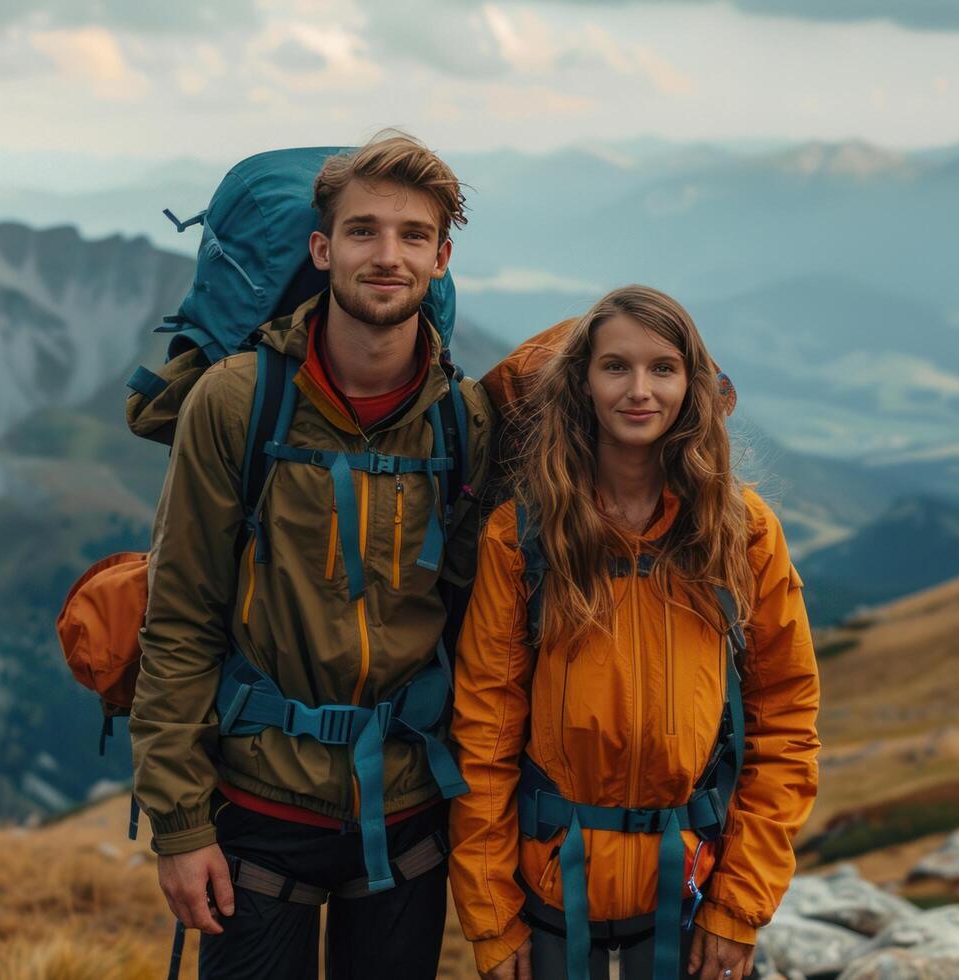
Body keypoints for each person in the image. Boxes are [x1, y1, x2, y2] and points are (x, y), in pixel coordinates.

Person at [130, 133, 491, 980]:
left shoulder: (463, 421)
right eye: (363, 232)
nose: (387, 255)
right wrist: (180, 828)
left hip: (408, 816)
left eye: (412, 236)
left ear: (441, 258)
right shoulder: (238, 401)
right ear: (322, 249)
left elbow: (486, 628)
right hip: (257, 809)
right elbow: (179, 618)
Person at [449, 285, 820, 980]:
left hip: (691, 890)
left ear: (693, 385)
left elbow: (787, 723)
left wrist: (740, 905)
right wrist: (493, 917)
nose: (639, 389)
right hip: (550, 896)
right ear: (582, 383)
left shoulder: (742, 533)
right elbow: (484, 736)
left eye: (663, 368)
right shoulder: (522, 538)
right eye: (616, 366)